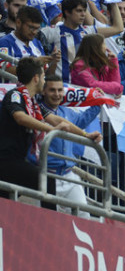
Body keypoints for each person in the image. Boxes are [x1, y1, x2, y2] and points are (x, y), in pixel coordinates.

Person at [0, 57, 91, 201]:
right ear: (36, 78)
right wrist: (50, 130)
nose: (44, 80)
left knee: (6, 202)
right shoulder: (15, 95)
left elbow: (57, 120)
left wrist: (85, 135)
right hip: (6, 160)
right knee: (46, 181)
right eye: (43, 76)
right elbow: (20, 117)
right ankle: (49, 220)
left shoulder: (33, 102)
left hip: (18, 160)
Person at [37, 74, 103, 218]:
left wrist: (98, 102)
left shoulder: (66, 112)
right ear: (43, 91)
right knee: (48, 223)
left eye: (60, 90)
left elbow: (82, 121)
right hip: (46, 175)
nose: (57, 94)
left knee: (84, 219)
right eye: (52, 90)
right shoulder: (36, 111)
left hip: (69, 175)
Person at [41, 0, 124, 82]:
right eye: (79, 11)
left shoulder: (89, 31)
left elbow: (118, 28)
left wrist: (112, 0)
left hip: (83, 86)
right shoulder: (52, 32)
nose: (83, 14)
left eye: (84, 11)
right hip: (62, 87)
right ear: (67, 12)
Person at [0, 6, 58, 75]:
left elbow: (46, 74)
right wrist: (34, 63)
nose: (34, 32)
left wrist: (54, 61)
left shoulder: (37, 43)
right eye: (31, 28)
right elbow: (4, 71)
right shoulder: (4, 42)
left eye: (37, 29)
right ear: (18, 23)